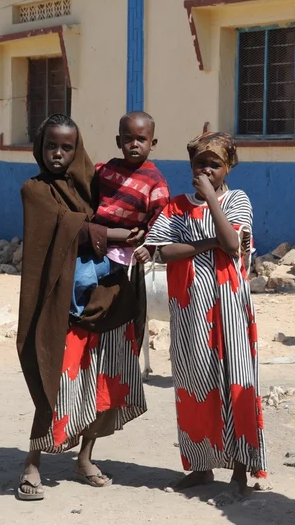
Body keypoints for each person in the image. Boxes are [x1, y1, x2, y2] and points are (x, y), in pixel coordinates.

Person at [17, 114, 147, 500]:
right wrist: (111, 233)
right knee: (54, 381)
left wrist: (138, 230)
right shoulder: (34, 189)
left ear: (78, 149)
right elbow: (62, 227)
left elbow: (131, 206)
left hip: (108, 298)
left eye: (66, 147)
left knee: (102, 382)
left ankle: (86, 456)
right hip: (63, 304)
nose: (58, 154)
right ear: (40, 149)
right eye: (51, 146)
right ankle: (33, 463)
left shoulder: (96, 184)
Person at [137, 132, 267, 504]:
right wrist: (205, 244)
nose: (207, 169)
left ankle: (241, 467)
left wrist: (210, 198)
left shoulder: (237, 200)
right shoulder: (176, 206)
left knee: (236, 379)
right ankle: (200, 465)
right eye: (200, 163)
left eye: (215, 164)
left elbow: (231, 242)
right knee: (195, 382)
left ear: (228, 168)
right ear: (190, 165)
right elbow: (163, 251)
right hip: (190, 307)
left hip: (230, 305)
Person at [70, 110, 169, 318]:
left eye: (141, 139)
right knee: (65, 272)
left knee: (81, 277)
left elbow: (161, 220)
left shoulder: (155, 183)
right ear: (118, 141)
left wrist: (149, 247)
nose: (134, 144)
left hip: (121, 250)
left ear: (153, 143)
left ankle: (74, 316)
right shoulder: (107, 169)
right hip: (95, 240)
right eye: (128, 139)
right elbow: (86, 184)